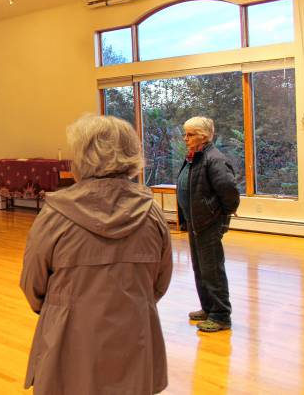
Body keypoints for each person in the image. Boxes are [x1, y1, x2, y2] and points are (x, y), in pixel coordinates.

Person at [20, 115, 172, 395]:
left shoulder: (54, 215)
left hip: (70, 337)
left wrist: (62, 306)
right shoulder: (153, 213)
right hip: (135, 335)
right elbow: (160, 282)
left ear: (81, 156)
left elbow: (33, 284)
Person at [177, 116, 240, 333]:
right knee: (200, 268)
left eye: (190, 134)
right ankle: (208, 308)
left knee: (212, 269)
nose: (186, 138)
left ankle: (221, 315)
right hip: (196, 222)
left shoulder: (214, 159)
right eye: (185, 134)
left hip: (208, 223)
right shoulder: (195, 157)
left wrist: (219, 215)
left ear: (203, 136)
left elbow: (230, 193)